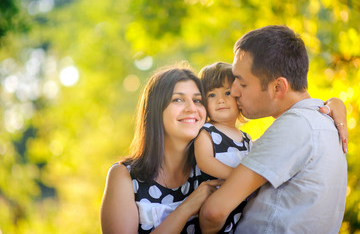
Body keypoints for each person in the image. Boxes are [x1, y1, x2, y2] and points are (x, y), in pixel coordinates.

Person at [199, 25, 348, 234]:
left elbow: (213, 212)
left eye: (242, 83)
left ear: (278, 87)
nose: (233, 91)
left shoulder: (295, 126)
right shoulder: (322, 121)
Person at [100, 64, 222, 234]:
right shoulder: (124, 177)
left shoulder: (215, 168)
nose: (191, 108)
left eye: (197, 100)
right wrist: (186, 208)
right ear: (156, 110)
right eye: (178, 99)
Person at [194, 62, 251, 232]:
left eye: (227, 93)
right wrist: (238, 178)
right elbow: (205, 161)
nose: (220, 100)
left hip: (241, 207)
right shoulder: (207, 132)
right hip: (214, 204)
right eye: (212, 95)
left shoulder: (246, 138)